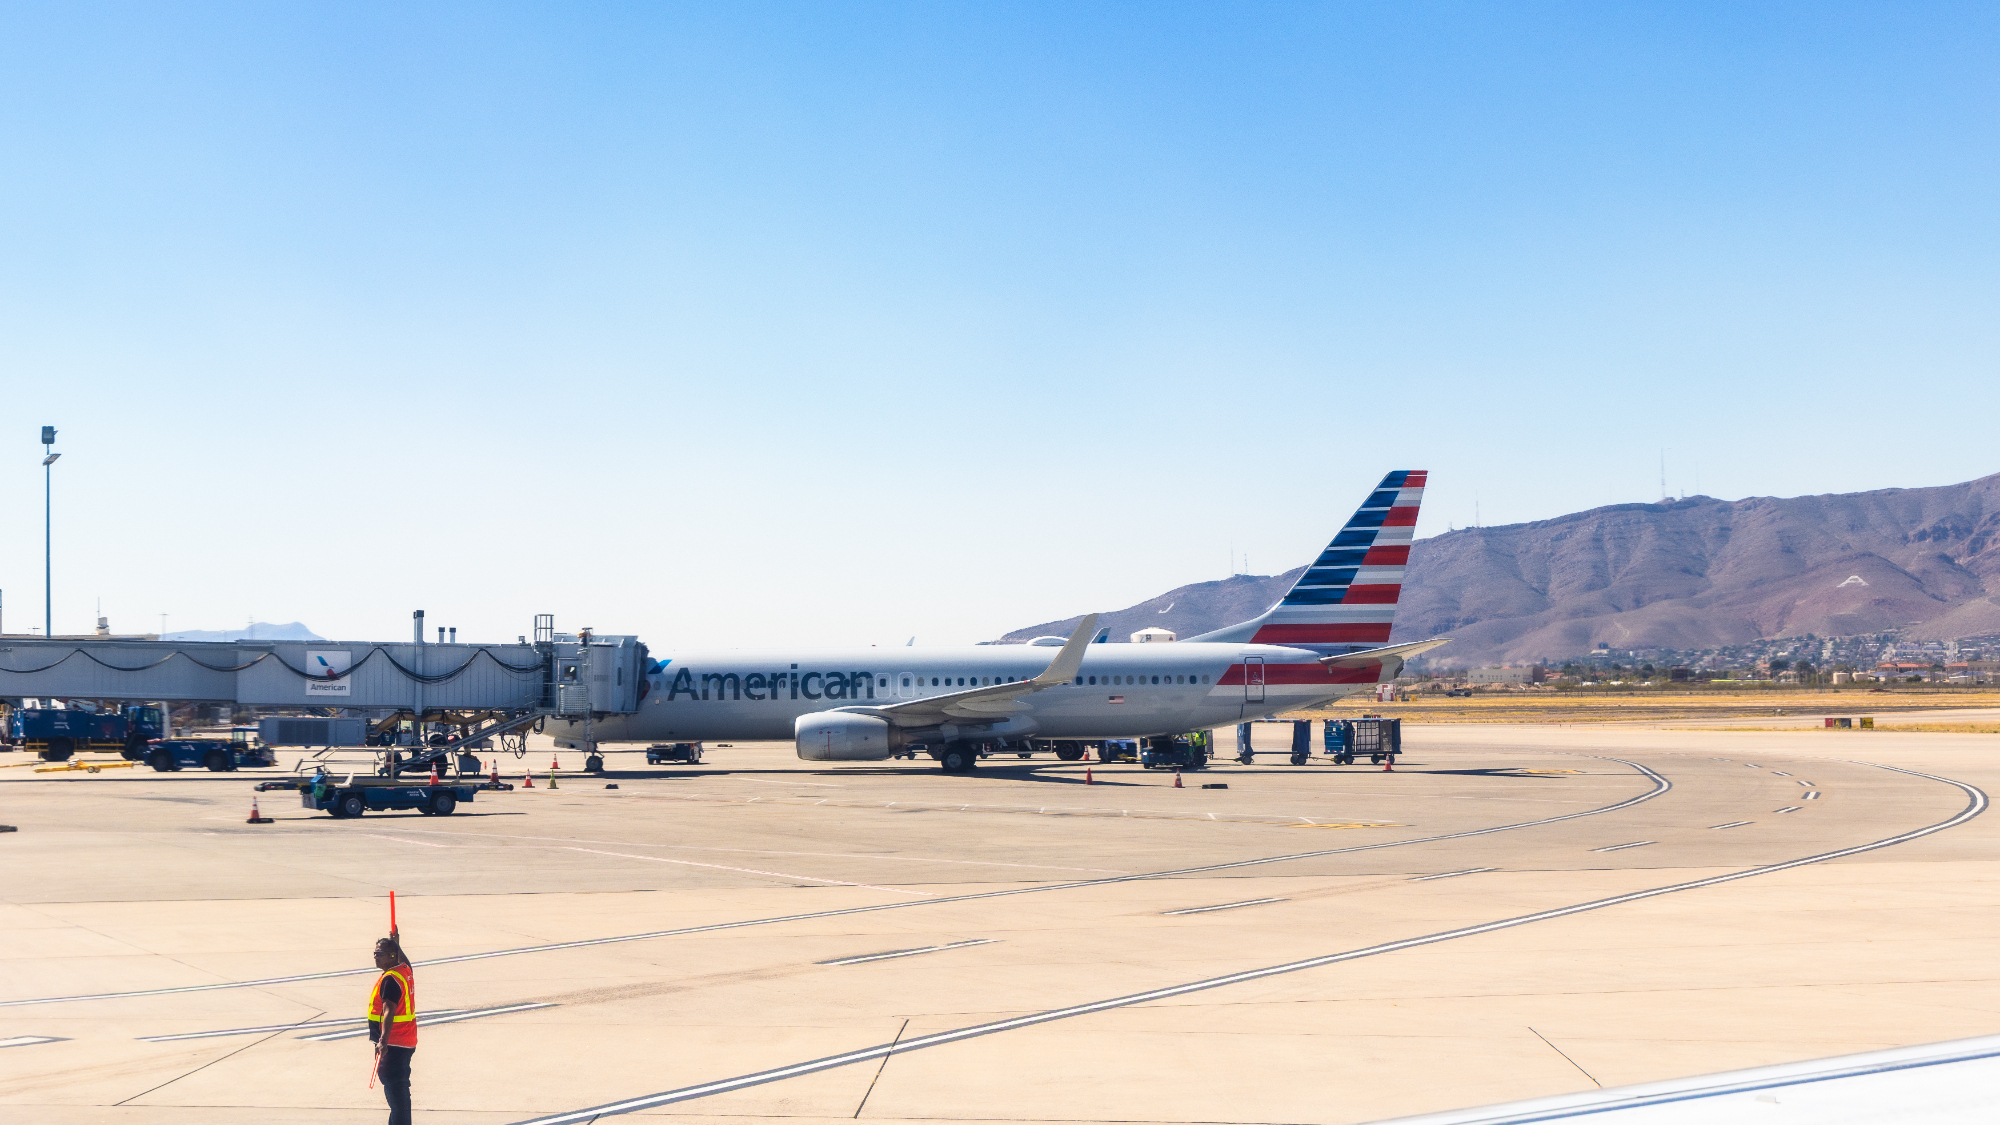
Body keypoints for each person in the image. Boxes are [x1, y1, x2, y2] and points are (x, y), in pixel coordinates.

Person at [367, 935, 417, 1125]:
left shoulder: (391, 980)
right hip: (406, 1040)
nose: (375, 957)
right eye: (374, 953)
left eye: (379, 953)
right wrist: (398, 944)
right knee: (399, 1094)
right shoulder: (404, 971)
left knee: (397, 1095)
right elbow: (407, 963)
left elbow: (389, 1011)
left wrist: (383, 1042)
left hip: (394, 1043)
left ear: (391, 956)